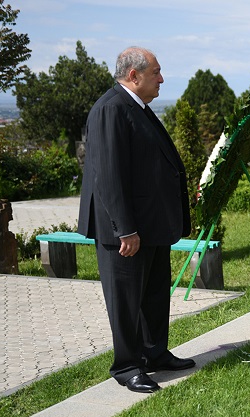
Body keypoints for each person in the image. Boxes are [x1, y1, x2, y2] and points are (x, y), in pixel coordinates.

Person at [78, 47, 194, 393]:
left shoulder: (137, 108)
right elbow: (108, 176)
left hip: (151, 225)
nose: (161, 79)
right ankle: (127, 366)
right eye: (156, 72)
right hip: (126, 231)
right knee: (126, 300)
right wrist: (125, 229)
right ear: (134, 75)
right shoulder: (111, 109)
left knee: (155, 294)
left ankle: (154, 354)